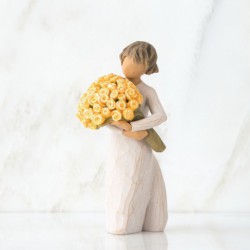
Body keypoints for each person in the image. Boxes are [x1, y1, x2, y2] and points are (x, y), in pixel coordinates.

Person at [104, 41, 168, 235]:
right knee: (121, 182)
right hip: (120, 146)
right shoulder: (112, 87)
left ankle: (146, 221)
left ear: (147, 67)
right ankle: (122, 223)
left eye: (137, 62)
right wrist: (122, 129)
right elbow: (106, 117)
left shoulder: (147, 92)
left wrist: (136, 127)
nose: (129, 66)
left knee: (137, 180)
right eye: (127, 60)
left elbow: (160, 116)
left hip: (140, 146)